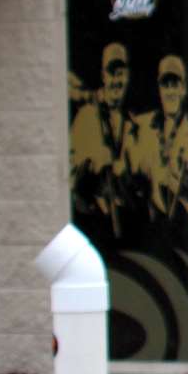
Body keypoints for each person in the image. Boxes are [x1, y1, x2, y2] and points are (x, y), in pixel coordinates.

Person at [124, 54, 188, 231]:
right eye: (165, 85)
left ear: (183, 89)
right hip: (157, 225)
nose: (170, 91)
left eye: (175, 84)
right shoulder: (145, 125)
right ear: (159, 89)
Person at [68, 41, 135, 242]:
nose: (117, 80)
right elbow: (70, 183)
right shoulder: (87, 116)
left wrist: (126, 174)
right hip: (94, 224)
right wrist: (91, 165)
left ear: (128, 77)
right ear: (103, 76)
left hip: (123, 225)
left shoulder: (131, 124)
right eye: (112, 73)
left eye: (121, 73)